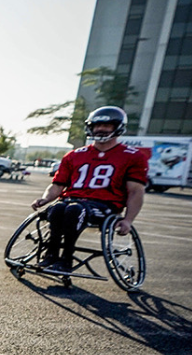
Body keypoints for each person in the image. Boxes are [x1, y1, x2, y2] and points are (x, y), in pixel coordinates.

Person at [29, 106, 148, 273]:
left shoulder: (133, 156)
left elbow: (136, 191)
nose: (100, 129)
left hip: (105, 206)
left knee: (74, 211)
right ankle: (51, 254)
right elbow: (58, 185)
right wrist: (46, 198)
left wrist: (128, 219)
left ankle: (66, 259)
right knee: (57, 208)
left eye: (106, 126)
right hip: (72, 200)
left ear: (118, 127)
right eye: (96, 125)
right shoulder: (74, 155)